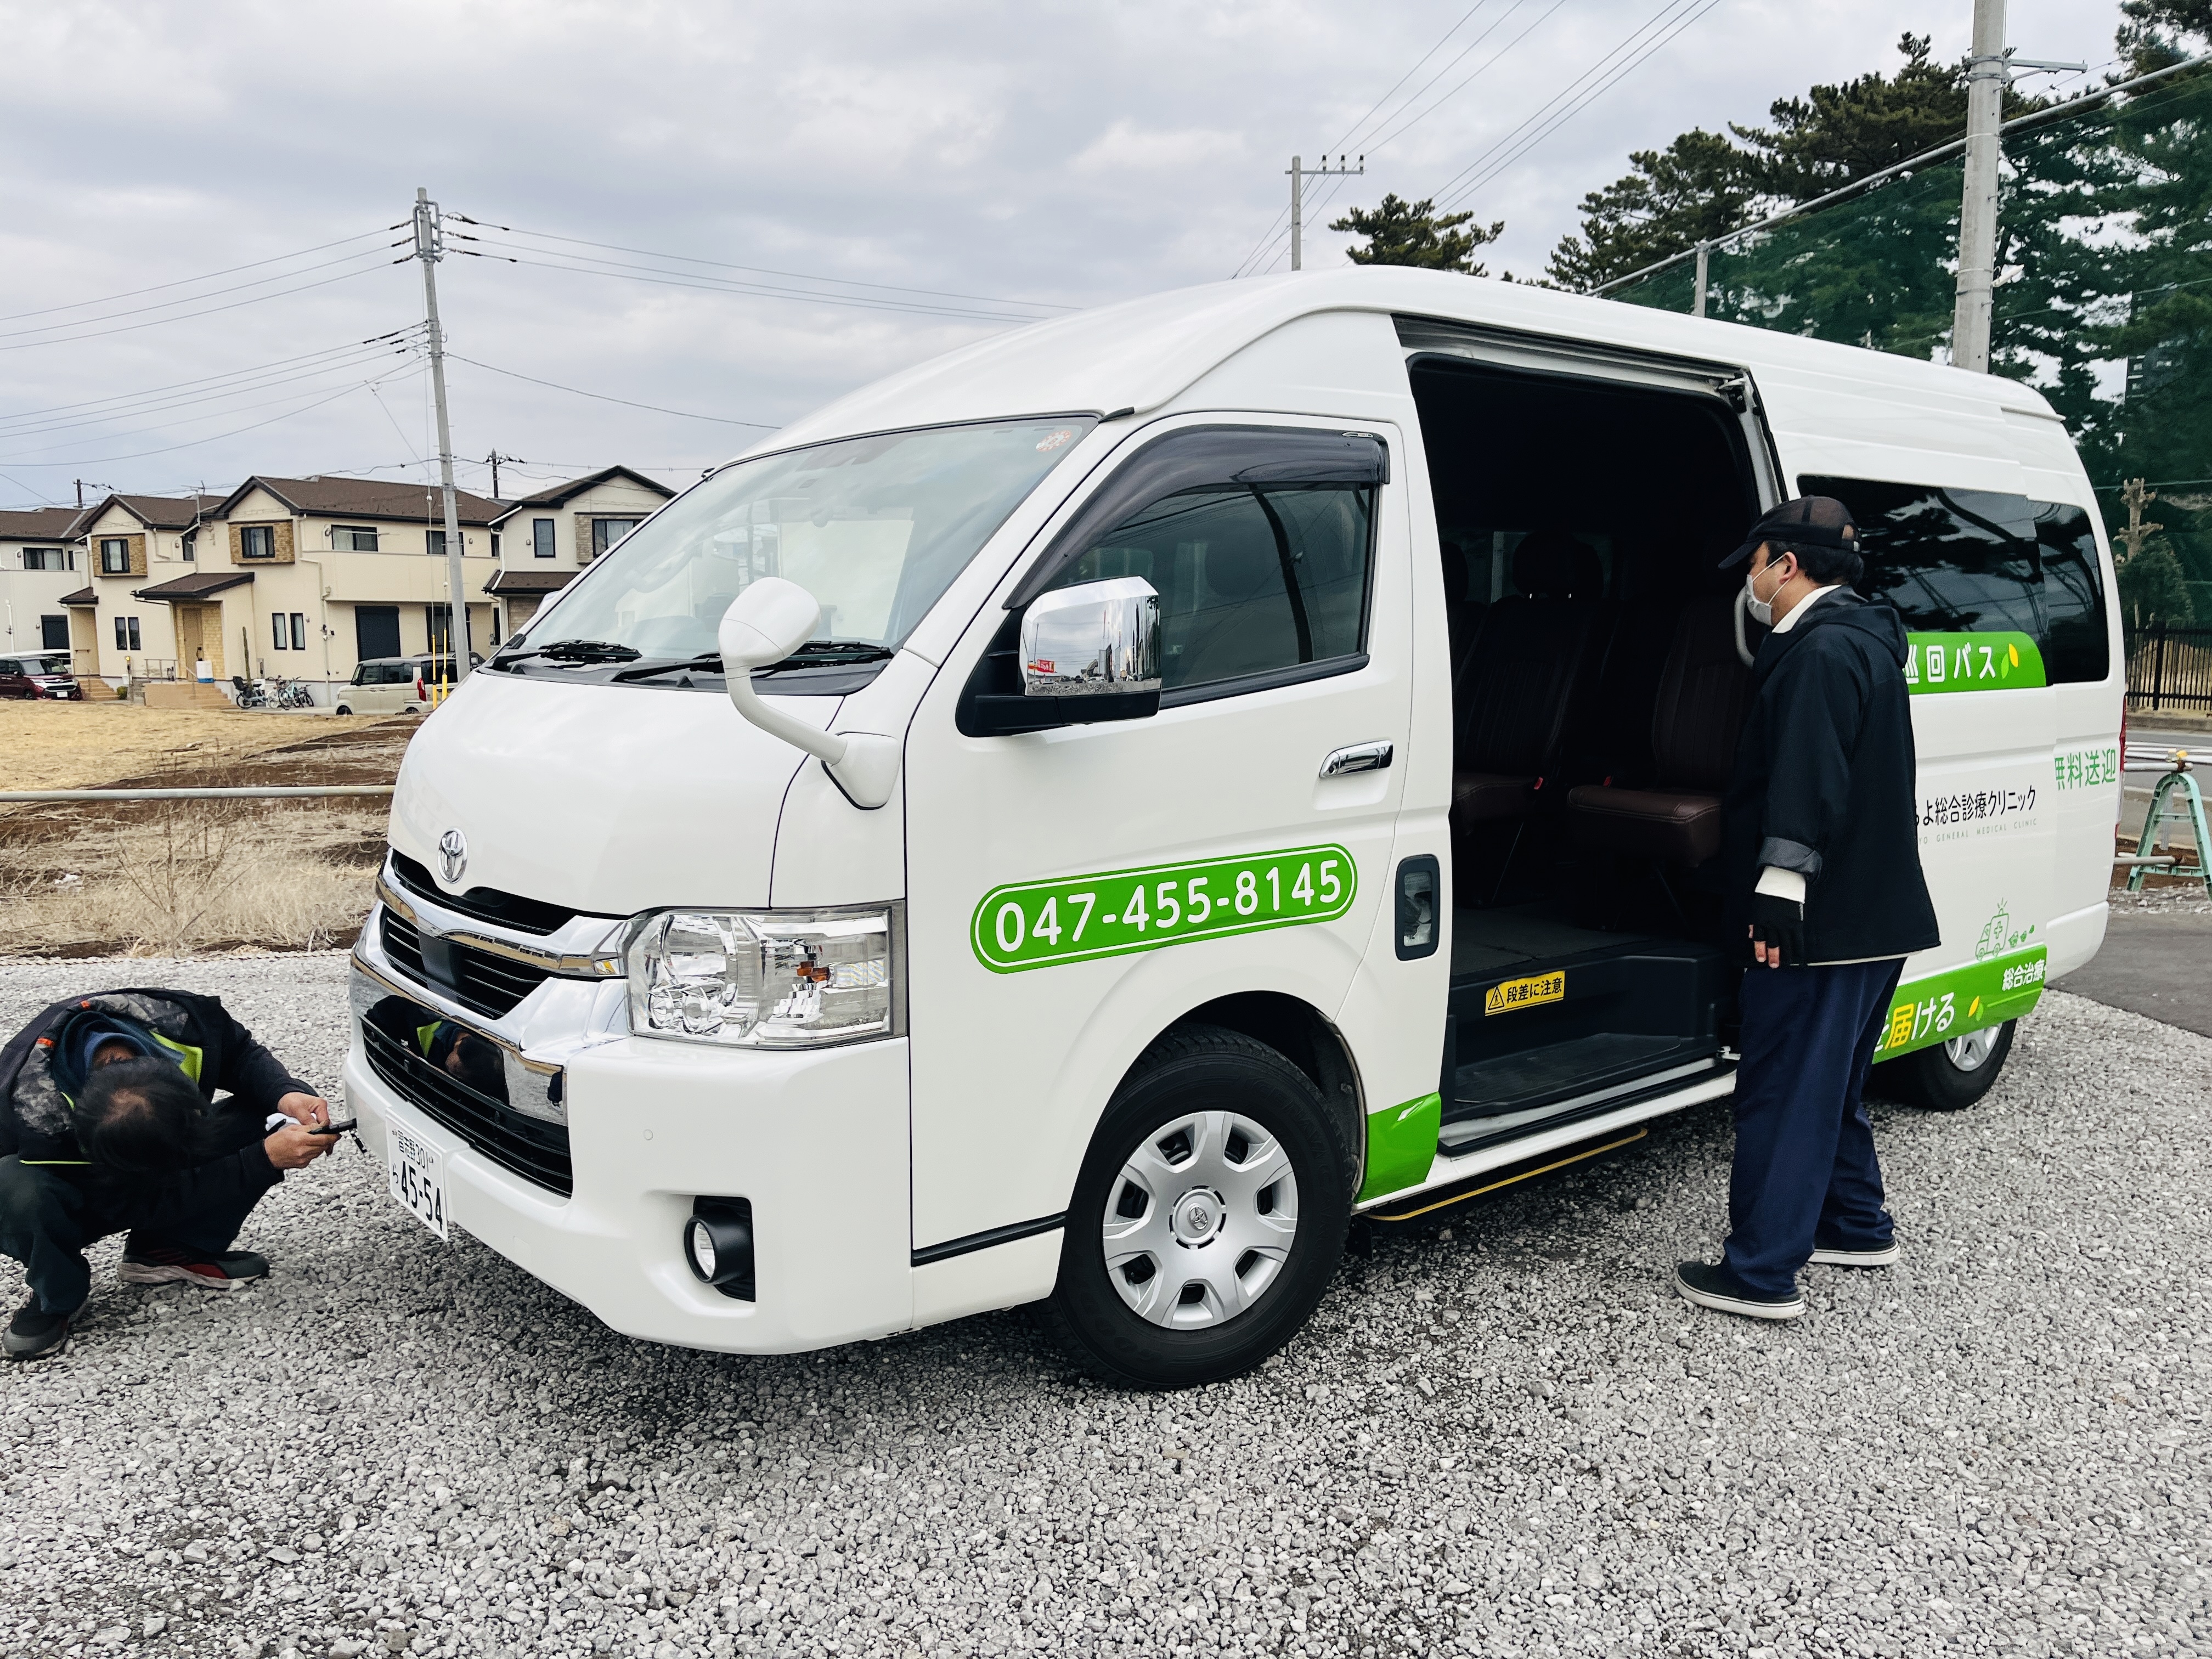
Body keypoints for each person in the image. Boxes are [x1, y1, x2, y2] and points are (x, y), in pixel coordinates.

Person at [1675, 496, 1940, 1321]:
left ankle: (1760, 1272)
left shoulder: (1819, 654)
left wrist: (1779, 891)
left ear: (1785, 565)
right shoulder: (1864, 639)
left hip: (1821, 921)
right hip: (1877, 916)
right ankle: (1856, 1225)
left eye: (1753, 567)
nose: (1749, 584)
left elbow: (1807, 781)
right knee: (1832, 1088)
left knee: (1785, 1090)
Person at [0, 989, 339, 1360]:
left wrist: (286, 1094)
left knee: (268, 1115)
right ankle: (57, 1297)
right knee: (15, 1189)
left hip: (127, 1156)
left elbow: (240, 1053)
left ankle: (165, 1251)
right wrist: (262, 1160)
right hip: (70, 1185)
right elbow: (142, 1203)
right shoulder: (32, 1112)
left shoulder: (182, 1025)